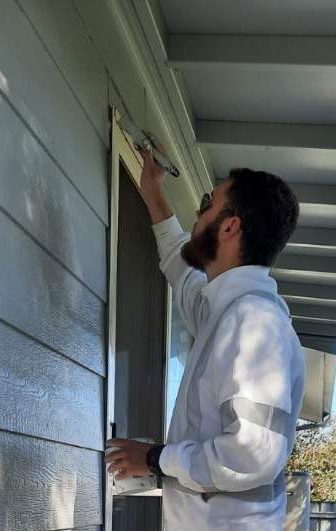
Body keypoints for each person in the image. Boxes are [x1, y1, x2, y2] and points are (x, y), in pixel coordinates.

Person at [105, 148, 306, 530]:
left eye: (207, 204)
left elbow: (253, 454)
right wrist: (152, 192)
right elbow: (182, 275)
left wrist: (154, 459)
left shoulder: (254, 324)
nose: (199, 214)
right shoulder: (227, 313)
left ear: (230, 227)